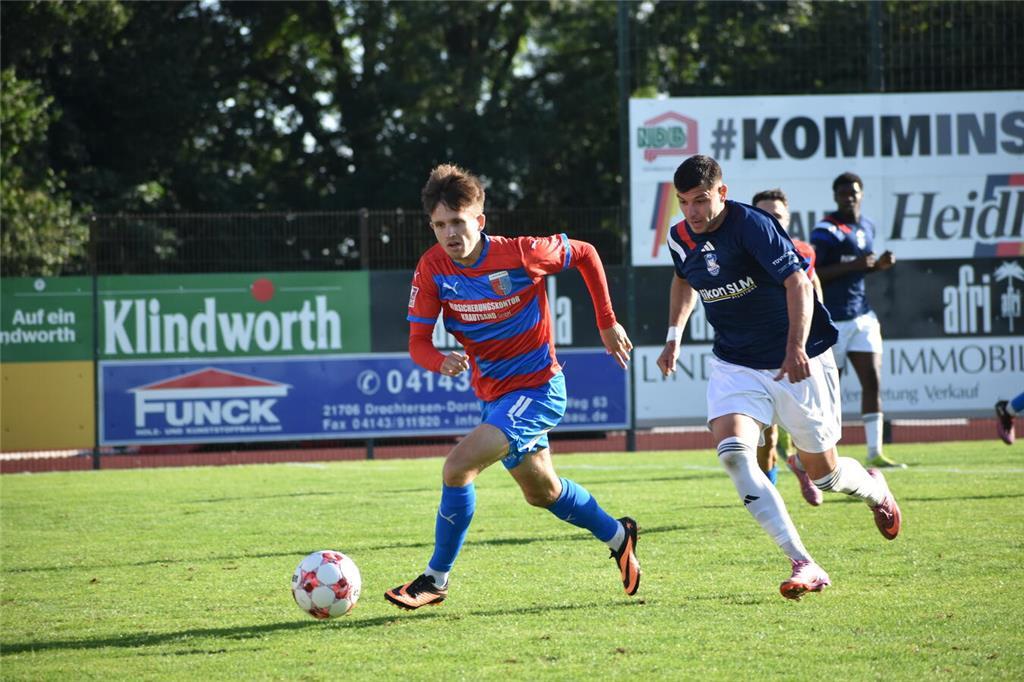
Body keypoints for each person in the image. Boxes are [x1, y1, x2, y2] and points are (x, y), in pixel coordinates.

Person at [385, 163, 640, 610]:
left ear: (479, 220)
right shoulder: (432, 268)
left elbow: (584, 253)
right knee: (543, 493)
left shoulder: (521, 253)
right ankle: (619, 536)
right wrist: (439, 361)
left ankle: (435, 579)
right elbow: (417, 343)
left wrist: (606, 321)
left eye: (458, 222)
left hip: (539, 389)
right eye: (440, 225)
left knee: (457, 467)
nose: (450, 233)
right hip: (496, 397)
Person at [657, 155, 902, 601]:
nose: (692, 211)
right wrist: (674, 335)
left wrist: (794, 348)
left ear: (722, 193)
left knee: (825, 475)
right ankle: (803, 561)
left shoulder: (753, 226)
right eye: (684, 202)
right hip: (736, 363)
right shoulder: (679, 237)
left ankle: (874, 490)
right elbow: (682, 280)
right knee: (734, 455)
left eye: (701, 200)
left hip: (797, 357)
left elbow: (799, 284)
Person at [811, 173, 904, 469]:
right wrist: (856, 264)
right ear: (835, 196)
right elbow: (815, 273)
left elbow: (860, 269)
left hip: (862, 315)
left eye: (853, 192)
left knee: (872, 381)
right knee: (829, 391)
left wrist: (878, 266)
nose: (848, 197)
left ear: (861, 193)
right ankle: (824, 454)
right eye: (842, 193)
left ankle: (875, 452)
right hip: (832, 321)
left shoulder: (867, 226)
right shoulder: (825, 230)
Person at [751, 188, 824, 507]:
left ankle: (800, 464)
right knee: (765, 439)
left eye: (777, 216)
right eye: (763, 216)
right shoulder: (742, 252)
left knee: (810, 432)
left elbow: (812, 287)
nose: (771, 222)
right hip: (759, 354)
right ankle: (770, 502)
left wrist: (815, 333)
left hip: (797, 351)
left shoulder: (803, 252)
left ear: (788, 218)